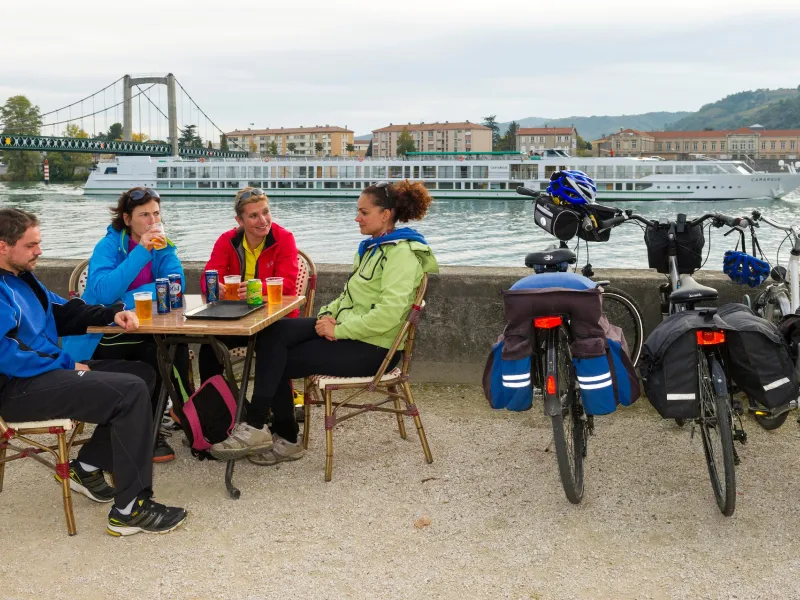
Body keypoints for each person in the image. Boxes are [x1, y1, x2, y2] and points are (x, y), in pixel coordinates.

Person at [208, 180, 438, 464]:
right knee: (272, 334)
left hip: (374, 348)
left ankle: (271, 431)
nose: (357, 218)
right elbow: (349, 296)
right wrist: (328, 315)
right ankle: (271, 431)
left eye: (364, 212)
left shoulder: (401, 253)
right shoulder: (373, 248)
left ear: (386, 214)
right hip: (351, 332)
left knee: (278, 357)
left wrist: (339, 329)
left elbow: (388, 316)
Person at [0, 208, 186, 536]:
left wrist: (111, 314)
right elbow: (7, 354)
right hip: (16, 388)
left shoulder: (22, 279)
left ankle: (85, 467)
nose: (39, 252)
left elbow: (63, 309)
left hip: (42, 374)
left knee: (143, 374)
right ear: (3, 247)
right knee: (128, 392)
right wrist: (67, 364)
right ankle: (130, 509)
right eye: (31, 246)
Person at [61, 187, 189, 463]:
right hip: (102, 334)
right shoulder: (108, 246)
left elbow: (176, 285)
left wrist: (130, 296)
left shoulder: (163, 245)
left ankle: (177, 412)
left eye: (156, 214)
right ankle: (159, 426)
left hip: (141, 326)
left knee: (172, 343)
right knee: (155, 353)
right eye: (144, 215)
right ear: (127, 219)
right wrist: (142, 252)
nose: (153, 222)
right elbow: (104, 293)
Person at [197, 187, 299, 384]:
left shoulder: (284, 238)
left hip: (274, 318)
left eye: (266, 212)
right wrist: (213, 286)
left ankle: (267, 409)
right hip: (236, 317)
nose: (263, 220)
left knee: (271, 347)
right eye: (253, 216)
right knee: (210, 346)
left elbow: (287, 284)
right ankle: (215, 407)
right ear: (240, 221)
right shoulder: (227, 239)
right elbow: (208, 275)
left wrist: (255, 289)